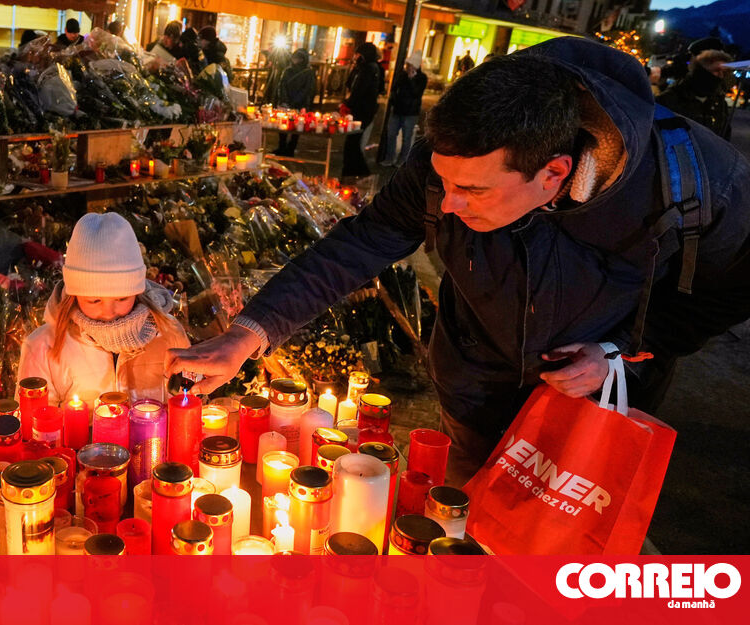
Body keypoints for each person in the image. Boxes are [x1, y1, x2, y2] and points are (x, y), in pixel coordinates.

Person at [168, 37, 750, 486]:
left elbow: (732, 289)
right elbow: (359, 244)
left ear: (554, 174)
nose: (448, 204)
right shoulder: (453, 157)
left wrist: (618, 350)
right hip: (476, 391)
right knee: (470, 533)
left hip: (596, 407)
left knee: (564, 553)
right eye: (444, 182)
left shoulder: (695, 183)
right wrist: (250, 332)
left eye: (472, 191)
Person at [19, 212, 190, 405]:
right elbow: (34, 418)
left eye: (122, 298)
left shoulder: (169, 334)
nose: (109, 313)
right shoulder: (43, 347)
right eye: (94, 301)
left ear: (138, 291)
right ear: (74, 295)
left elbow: (189, 401)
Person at [656, 38, 733, 140]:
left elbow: (724, 138)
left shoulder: (720, 105)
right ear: (700, 66)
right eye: (716, 70)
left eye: (724, 72)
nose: (720, 75)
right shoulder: (669, 99)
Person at [339, 41, 383, 177]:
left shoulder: (370, 68)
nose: (355, 56)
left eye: (358, 54)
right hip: (360, 109)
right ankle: (353, 171)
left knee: (352, 142)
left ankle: (358, 172)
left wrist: (348, 103)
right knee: (353, 142)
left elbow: (359, 90)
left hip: (363, 110)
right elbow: (350, 84)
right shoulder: (363, 67)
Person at [380, 51, 428, 166]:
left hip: (410, 112)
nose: (408, 67)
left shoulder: (422, 78)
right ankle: (389, 158)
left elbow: (416, 93)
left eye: (410, 65)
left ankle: (402, 160)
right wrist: (393, 100)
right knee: (391, 134)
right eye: (408, 65)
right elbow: (395, 88)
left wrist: (412, 80)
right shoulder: (402, 75)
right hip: (398, 109)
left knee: (407, 138)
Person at [273, 48, 316, 157]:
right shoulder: (288, 70)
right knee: (283, 124)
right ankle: (282, 146)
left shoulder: (308, 73)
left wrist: (295, 101)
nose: (295, 60)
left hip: (299, 104)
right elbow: (282, 85)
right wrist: (284, 99)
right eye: (295, 58)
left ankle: (291, 148)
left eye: (298, 58)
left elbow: (307, 90)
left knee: (297, 126)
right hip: (286, 103)